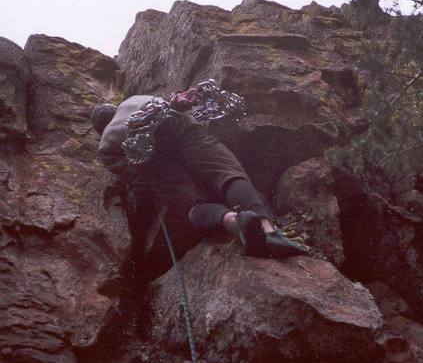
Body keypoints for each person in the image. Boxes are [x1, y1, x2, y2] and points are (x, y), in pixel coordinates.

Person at [91, 80, 309, 258]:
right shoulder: (134, 100)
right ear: (114, 109)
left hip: (143, 151)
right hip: (171, 120)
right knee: (225, 171)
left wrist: (145, 200)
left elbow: (137, 179)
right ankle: (269, 231)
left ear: (102, 129)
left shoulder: (107, 146)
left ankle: (233, 221)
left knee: (190, 205)